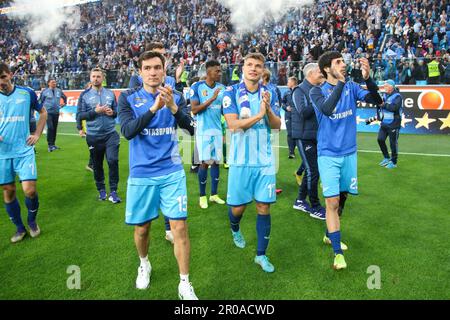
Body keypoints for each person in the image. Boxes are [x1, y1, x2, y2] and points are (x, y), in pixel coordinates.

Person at [118, 51, 198, 299]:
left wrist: (174, 108)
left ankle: (184, 282)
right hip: (141, 174)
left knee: (180, 228)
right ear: (140, 72)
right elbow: (128, 131)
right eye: (147, 68)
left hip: (172, 172)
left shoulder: (176, 96)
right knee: (142, 229)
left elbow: (192, 129)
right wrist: (154, 108)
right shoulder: (127, 98)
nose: (152, 72)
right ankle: (144, 263)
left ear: (164, 71)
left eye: (157, 68)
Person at [310, 51, 382, 270]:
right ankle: (337, 254)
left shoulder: (351, 87)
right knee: (331, 203)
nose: (343, 64)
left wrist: (368, 78)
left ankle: (328, 234)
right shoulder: (316, 91)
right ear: (326, 69)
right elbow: (327, 108)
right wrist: (341, 83)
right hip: (328, 154)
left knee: (341, 200)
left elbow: (376, 99)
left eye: (343, 61)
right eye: (338, 62)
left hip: (349, 153)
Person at [222, 53, 281, 273]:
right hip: (240, 160)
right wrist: (258, 115)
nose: (253, 69)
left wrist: (269, 110)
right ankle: (235, 227)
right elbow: (233, 125)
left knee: (263, 206)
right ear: (243, 68)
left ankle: (261, 255)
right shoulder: (231, 93)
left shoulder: (270, 92)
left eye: (258, 66)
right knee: (238, 208)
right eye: (250, 65)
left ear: (263, 70)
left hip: (264, 160)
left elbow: (276, 126)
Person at [0, 62, 48, 243]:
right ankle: (20, 228)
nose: (1, 82)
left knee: (29, 190)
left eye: (3, 77)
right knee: (9, 190)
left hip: (24, 150)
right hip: (2, 153)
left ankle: (32, 221)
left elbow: (43, 113)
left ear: (10, 75)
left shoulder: (26, 93)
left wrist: (37, 134)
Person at [76, 68, 121, 204]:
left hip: (110, 134)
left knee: (113, 161)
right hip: (93, 136)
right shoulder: (84, 95)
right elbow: (79, 115)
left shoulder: (110, 94)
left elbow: (116, 112)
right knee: (97, 164)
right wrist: (95, 112)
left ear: (103, 78)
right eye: (93, 76)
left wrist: (112, 112)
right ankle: (101, 189)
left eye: (98, 76)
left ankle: (113, 191)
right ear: (90, 78)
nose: (96, 79)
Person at [291, 63, 327, 220]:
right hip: (304, 136)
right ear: (310, 73)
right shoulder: (299, 90)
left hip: (315, 135)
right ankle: (315, 206)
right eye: (319, 71)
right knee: (313, 171)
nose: (322, 73)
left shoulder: (318, 90)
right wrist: (317, 100)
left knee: (311, 170)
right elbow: (303, 112)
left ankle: (300, 200)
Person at [190, 60, 226, 209]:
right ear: (208, 72)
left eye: (220, 71)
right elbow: (194, 110)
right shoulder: (197, 87)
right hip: (204, 131)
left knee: (216, 161)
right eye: (217, 71)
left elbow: (225, 110)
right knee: (205, 162)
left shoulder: (222, 88)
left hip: (217, 130)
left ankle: (214, 194)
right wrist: (211, 99)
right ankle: (202, 196)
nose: (220, 73)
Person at [377, 80, 403, 169]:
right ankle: (386, 158)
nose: (384, 88)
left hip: (394, 124)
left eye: (386, 86)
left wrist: (383, 104)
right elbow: (379, 106)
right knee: (380, 139)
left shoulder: (398, 97)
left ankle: (394, 162)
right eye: (384, 86)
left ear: (391, 87)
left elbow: (394, 108)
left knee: (393, 144)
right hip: (384, 123)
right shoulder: (384, 95)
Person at [38, 78, 66, 152]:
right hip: (48, 112)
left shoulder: (59, 91)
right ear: (48, 83)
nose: (54, 83)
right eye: (52, 82)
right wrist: (41, 109)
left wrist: (64, 104)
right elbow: (40, 101)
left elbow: (64, 97)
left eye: (55, 82)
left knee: (54, 128)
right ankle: (50, 145)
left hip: (56, 112)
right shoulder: (44, 91)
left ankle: (53, 144)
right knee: (50, 127)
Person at [76, 82, 94, 173]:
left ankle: (92, 164)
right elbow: (79, 114)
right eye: (90, 86)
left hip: (99, 128)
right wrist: (80, 129)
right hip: (88, 128)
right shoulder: (83, 97)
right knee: (94, 147)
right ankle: (91, 165)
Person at [282, 77, 298, 159]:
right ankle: (291, 152)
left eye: (288, 82)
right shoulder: (286, 92)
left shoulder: (299, 91)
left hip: (297, 115)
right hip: (288, 115)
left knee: (296, 133)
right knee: (290, 133)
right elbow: (282, 103)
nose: (287, 83)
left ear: (293, 82)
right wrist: (286, 107)